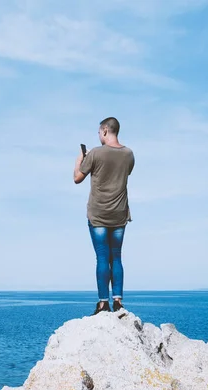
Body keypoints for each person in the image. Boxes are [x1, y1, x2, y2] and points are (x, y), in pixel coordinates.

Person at [73, 117, 135, 315]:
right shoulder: (129, 154)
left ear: (105, 130)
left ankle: (102, 304)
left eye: (99, 133)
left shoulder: (96, 153)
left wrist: (80, 159)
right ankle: (118, 301)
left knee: (102, 256)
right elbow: (120, 171)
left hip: (98, 213)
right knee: (116, 256)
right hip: (119, 214)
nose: (99, 136)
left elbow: (77, 178)